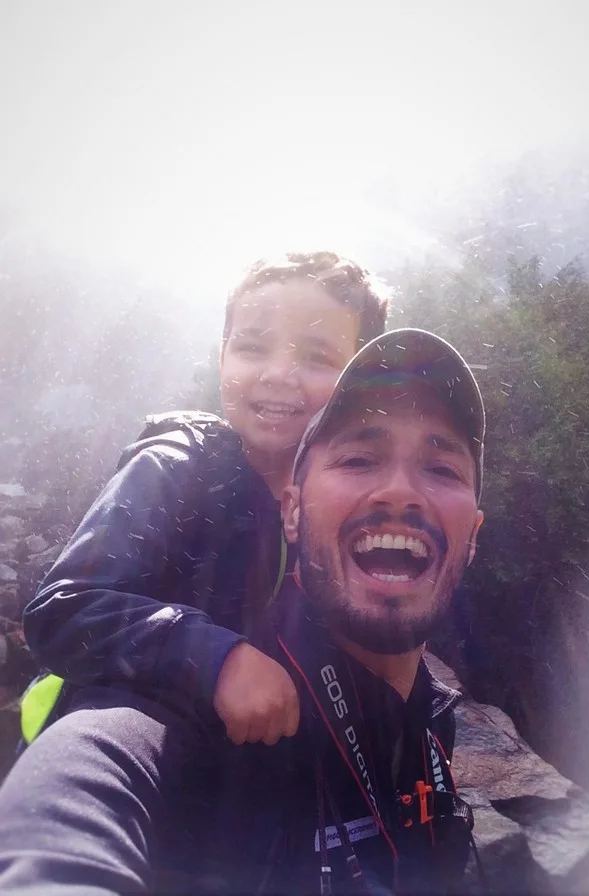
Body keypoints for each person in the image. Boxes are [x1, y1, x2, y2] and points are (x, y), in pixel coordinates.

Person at [0, 328, 486, 895]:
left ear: (473, 535)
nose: (400, 492)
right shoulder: (214, 710)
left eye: (443, 470)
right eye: (358, 459)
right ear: (293, 512)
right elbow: (89, 780)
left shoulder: (431, 720)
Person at [20, 250, 388, 749]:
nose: (278, 373)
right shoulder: (178, 466)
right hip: (109, 755)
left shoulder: (340, 495)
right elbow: (63, 609)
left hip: (238, 774)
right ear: (222, 358)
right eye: (253, 348)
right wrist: (217, 658)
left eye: (317, 357)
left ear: (359, 381)